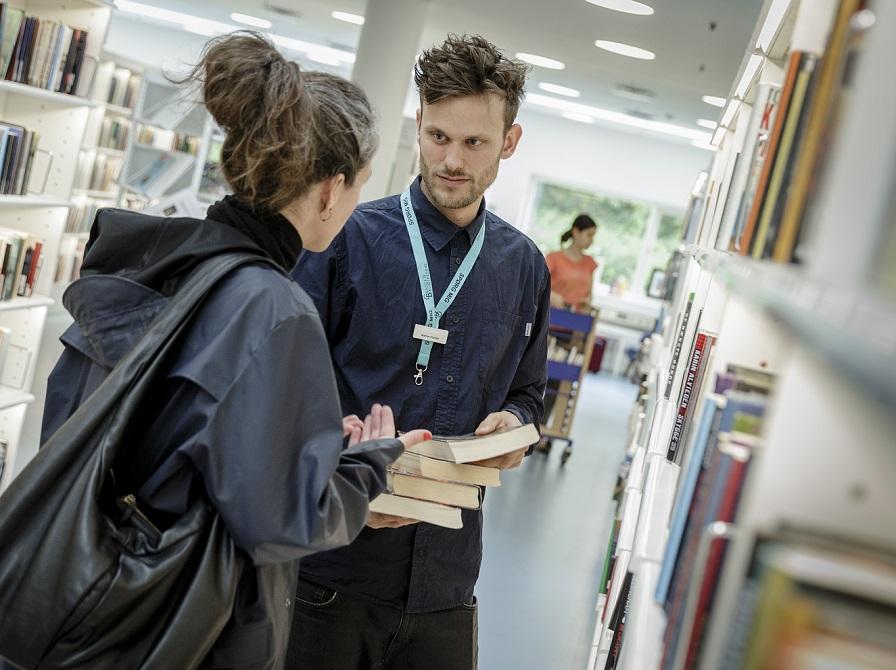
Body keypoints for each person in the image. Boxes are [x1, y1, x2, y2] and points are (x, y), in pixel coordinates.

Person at [31, 33, 430, 670]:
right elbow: (283, 518)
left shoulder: (148, 266)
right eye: (358, 188)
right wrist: (366, 465)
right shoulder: (271, 308)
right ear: (331, 191)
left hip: (70, 606)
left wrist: (307, 442)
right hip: (179, 635)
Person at [287, 34, 550, 669]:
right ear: (420, 124)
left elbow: (528, 394)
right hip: (329, 574)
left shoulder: (524, 268)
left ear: (509, 143)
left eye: (474, 142)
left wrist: (515, 425)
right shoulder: (347, 239)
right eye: (438, 137)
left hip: (448, 587)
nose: (451, 160)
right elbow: (284, 392)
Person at [546, 213, 599, 312]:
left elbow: (589, 295)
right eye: (589, 235)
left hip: (576, 321)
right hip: (550, 317)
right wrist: (551, 296)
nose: (592, 240)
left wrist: (586, 303)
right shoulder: (553, 258)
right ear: (576, 232)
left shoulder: (590, 263)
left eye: (593, 236)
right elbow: (538, 286)